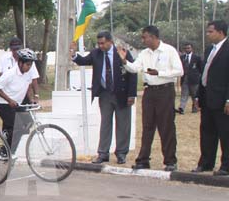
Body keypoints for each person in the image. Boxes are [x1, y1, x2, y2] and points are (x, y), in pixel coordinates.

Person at [117, 25, 184, 171]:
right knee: (147, 126)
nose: (143, 40)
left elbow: (179, 71)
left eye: (144, 37)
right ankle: (143, 159)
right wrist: (124, 61)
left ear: (153, 37)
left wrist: (159, 73)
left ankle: (170, 161)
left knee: (166, 126)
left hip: (165, 90)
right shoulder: (144, 53)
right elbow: (135, 68)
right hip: (149, 91)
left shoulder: (169, 50)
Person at [71, 31, 137, 165]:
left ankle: (121, 153)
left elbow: (133, 73)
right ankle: (103, 153)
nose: (100, 46)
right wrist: (73, 54)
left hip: (122, 93)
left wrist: (131, 94)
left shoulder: (122, 52)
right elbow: (83, 61)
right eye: (99, 43)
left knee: (123, 125)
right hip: (105, 94)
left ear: (110, 42)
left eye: (103, 43)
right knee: (105, 124)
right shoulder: (96, 53)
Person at [193, 21, 229, 176]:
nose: (207, 34)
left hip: (222, 99)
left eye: (210, 32)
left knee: (225, 133)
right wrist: (198, 95)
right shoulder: (209, 50)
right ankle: (206, 163)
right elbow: (204, 74)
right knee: (207, 132)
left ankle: (226, 166)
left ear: (220, 32)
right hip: (207, 97)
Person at [0, 49, 38, 158]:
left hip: (16, 103)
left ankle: (8, 138)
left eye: (31, 65)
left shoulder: (27, 73)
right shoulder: (10, 73)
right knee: (17, 126)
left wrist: (32, 99)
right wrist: (9, 100)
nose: (29, 67)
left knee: (28, 122)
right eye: (27, 64)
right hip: (3, 103)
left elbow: (28, 86)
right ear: (20, 63)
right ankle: (5, 152)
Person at [0, 37, 40, 103]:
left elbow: (34, 78)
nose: (16, 51)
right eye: (14, 49)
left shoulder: (28, 60)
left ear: (21, 48)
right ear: (10, 49)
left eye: (18, 49)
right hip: (7, 95)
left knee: (26, 108)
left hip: (23, 94)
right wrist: (10, 76)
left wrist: (36, 95)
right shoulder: (4, 58)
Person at [179, 42, 203, 114]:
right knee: (184, 94)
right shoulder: (182, 58)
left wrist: (198, 76)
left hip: (194, 79)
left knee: (194, 95)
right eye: (185, 48)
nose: (187, 49)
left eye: (188, 48)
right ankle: (181, 108)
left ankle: (195, 108)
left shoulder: (197, 58)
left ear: (192, 48)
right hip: (184, 79)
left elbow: (201, 68)